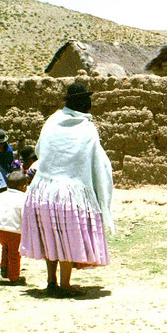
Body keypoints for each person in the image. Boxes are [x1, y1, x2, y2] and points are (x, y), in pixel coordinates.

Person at [20, 82, 113, 298]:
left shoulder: (52, 121)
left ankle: (51, 282)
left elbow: (39, 150)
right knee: (66, 240)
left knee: (51, 238)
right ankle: (65, 284)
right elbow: (97, 161)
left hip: (42, 191)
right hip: (70, 195)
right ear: (86, 103)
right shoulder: (87, 129)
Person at [0, 171, 28, 286]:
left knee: (5, 248)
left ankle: (4, 268)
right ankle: (14, 277)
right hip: (14, 230)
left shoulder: (2, 195)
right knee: (14, 253)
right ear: (23, 187)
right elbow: (24, 216)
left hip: (0, 228)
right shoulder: (23, 198)